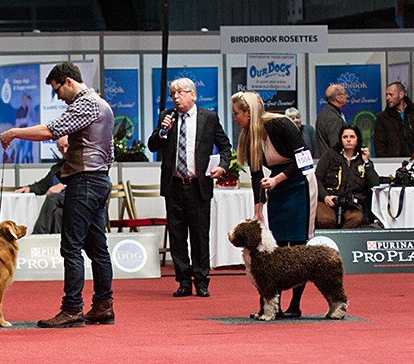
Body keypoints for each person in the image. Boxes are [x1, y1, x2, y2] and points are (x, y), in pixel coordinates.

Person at [0, 61, 114, 328]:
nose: (58, 97)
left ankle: (73, 308)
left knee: (71, 246)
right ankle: (103, 306)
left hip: (85, 181)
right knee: (98, 248)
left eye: (57, 90)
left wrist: (15, 132)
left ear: (69, 81)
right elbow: (108, 152)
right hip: (99, 179)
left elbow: (52, 131)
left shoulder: (86, 103)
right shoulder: (102, 104)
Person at [230, 91, 318, 318]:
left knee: (298, 246)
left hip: (299, 183)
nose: (235, 118)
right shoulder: (249, 135)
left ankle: (295, 305)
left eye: (237, 113)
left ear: (249, 112)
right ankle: (272, 305)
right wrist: (258, 210)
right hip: (276, 187)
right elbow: (256, 174)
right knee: (277, 249)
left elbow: (305, 159)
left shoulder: (280, 124)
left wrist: (278, 179)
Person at [147, 78, 231, 298]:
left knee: (200, 236)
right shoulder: (167, 116)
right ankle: (183, 281)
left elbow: (225, 146)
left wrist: (222, 166)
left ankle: (201, 281)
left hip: (198, 186)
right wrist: (163, 131)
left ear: (193, 95)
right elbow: (152, 145)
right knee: (177, 236)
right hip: (174, 186)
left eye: (180, 92)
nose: (175, 97)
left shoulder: (209, 118)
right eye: (172, 93)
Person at [314, 125, 379, 229]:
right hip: (329, 199)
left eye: (352, 137)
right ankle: (329, 244)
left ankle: (343, 243)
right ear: (341, 139)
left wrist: (366, 162)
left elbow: (374, 183)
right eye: (345, 137)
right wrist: (325, 196)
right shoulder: (330, 155)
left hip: (351, 203)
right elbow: (317, 179)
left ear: (358, 139)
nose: (349, 140)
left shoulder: (362, 159)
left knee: (356, 218)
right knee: (325, 219)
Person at [16, 135, 69, 234]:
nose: (65, 151)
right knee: (58, 214)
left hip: (76, 200)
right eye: (61, 148)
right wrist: (29, 188)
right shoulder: (57, 168)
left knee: (52, 197)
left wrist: (64, 185)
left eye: (67, 146)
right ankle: (56, 245)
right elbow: (43, 185)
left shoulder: (82, 165)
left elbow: (88, 184)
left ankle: (38, 235)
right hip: (62, 206)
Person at [372, 81, 414, 157]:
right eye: (387, 95)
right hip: (395, 163)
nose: (388, 98)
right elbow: (379, 146)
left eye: (391, 95)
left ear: (401, 95)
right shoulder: (383, 118)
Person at [315, 84, 348, 159]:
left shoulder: (327, 112)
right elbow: (336, 145)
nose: (347, 96)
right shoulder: (332, 118)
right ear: (338, 98)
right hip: (331, 163)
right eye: (345, 93)